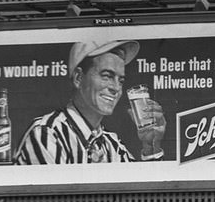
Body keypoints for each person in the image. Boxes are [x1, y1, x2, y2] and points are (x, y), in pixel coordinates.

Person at [11, 40, 166, 164]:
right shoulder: (47, 134)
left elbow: (144, 198)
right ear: (79, 78)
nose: (116, 88)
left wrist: (150, 146)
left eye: (121, 80)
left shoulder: (111, 144)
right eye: (106, 76)